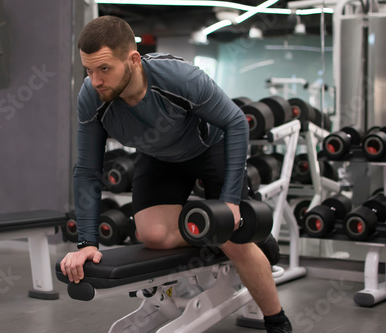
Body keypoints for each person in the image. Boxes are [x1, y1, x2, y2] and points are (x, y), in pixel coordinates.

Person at [60, 15, 292, 333]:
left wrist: (229, 205)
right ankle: (213, 233)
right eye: (88, 70)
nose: (95, 80)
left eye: (104, 69)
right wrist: (87, 243)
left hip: (209, 149)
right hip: (158, 157)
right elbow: (87, 170)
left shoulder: (179, 78)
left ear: (133, 59)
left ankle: (275, 318)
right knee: (152, 235)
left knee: (233, 241)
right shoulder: (93, 97)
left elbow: (236, 122)